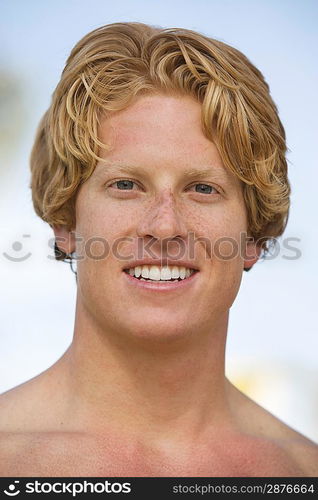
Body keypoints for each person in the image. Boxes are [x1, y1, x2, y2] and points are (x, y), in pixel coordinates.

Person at [0, 22, 317, 477]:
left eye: (203, 188)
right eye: (126, 185)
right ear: (65, 223)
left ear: (255, 237)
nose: (165, 226)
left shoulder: (302, 474)